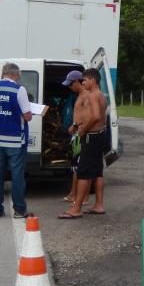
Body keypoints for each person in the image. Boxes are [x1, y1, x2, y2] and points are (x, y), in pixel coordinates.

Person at [0, 62, 34, 219]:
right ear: (14, 74)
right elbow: (27, 116)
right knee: (17, 175)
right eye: (19, 75)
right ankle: (20, 210)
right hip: (15, 141)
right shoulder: (19, 89)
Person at [59, 68, 107, 219]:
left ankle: (77, 208)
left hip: (91, 137)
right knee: (98, 172)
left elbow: (96, 116)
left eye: (84, 80)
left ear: (92, 80)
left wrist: (83, 129)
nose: (83, 82)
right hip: (100, 136)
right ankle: (99, 205)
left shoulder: (93, 95)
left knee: (83, 173)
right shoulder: (101, 95)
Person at [61, 70, 86, 205]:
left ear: (77, 81)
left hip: (80, 135)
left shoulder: (85, 96)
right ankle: (73, 194)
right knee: (75, 167)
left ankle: (78, 198)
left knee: (78, 167)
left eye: (71, 84)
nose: (70, 87)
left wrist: (76, 125)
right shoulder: (78, 96)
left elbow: (89, 116)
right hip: (76, 135)